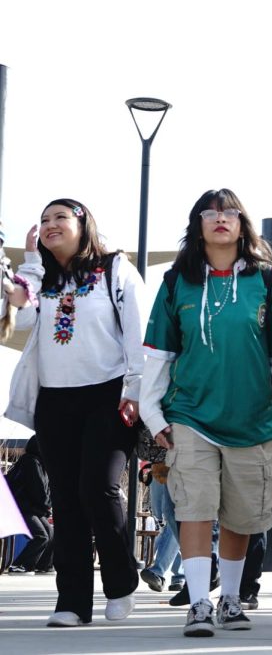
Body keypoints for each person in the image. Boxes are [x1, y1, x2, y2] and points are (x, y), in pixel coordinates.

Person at [142, 188, 272, 637]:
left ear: (241, 223)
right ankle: (198, 603)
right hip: (190, 416)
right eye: (209, 213)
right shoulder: (176, 282)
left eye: (229, 211)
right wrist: (155, 416)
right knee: (195, 508)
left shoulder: (268, 281)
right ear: (197, 225)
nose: (220, 219)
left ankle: (230, 598)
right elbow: (158, 354)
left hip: (254, 421)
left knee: (241, 514)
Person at [4, 199, 145, 628]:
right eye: (44, 219)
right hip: (55, 399)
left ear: (83, 224)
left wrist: (136, 387)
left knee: (98, 488)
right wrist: (28, 263)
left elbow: (139, 326)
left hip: (109, 395)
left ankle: (121, 583)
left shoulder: (114, 267)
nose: (49, 225)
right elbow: (22, 314)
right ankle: (73, 600)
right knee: (64, 500)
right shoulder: (41, 278)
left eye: (60, 217)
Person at [6, 436, 54, 574]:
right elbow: (37, 489)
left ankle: (43, 565)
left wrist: (46, 507)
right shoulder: (30, 462)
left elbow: (47, 490)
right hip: (20, 508)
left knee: (51, 533)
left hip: (32, 508)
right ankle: (20, 565)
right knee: (41, 536)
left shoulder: (41, 464)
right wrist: (47, 506)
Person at [141, 462, 185, 592]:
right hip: (158, 462)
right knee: (162, 519)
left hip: (181, 462)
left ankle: (159, 571)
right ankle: (179, 575)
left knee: (174, 518)